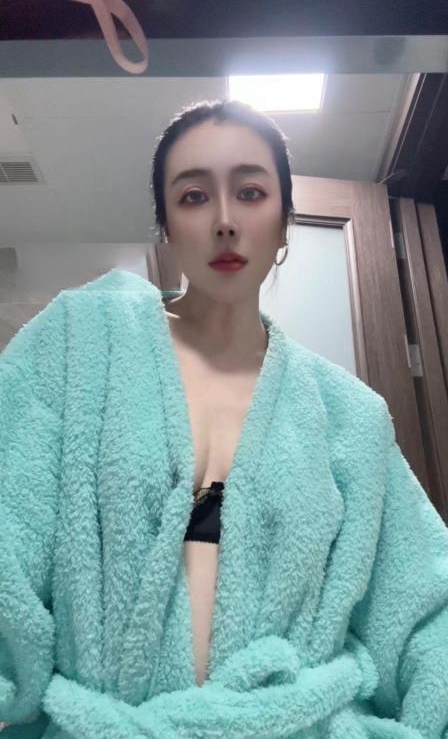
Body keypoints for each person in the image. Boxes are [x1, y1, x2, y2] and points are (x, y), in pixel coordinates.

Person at [0, 99, 447, 738]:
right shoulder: (78, 343)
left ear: (285, 222)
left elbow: (426, 605)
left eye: (250, 192)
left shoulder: (349, 416)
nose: (225, 221)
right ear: (166, 226)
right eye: (193, 197)